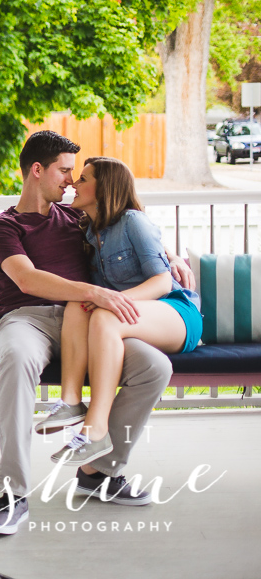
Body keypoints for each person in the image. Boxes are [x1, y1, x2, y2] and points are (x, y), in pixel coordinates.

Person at [0, 130, 193, 535]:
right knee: (17, 360)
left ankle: (99, 473)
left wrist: (169, 254)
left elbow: (128, 225)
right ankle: (12, 494)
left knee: (154, 367)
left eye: (74, 174)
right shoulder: (3, 227)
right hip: (28, 319)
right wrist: (94, 293)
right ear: (37, 170)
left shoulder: (77, 217)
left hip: (89, 321)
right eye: (64, 171)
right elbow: (26, 279)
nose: (69, 180)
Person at [41, 157, 202, 465]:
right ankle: (71, 401)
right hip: (133, 319)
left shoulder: (133, 221)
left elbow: (162, 280)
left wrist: (116, 299)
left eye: (84, 179)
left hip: (174, 312)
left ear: (105, 189)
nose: (74, 183)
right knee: (79, 302)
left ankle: (95, 430)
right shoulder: (88, 230)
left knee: (103, 313)